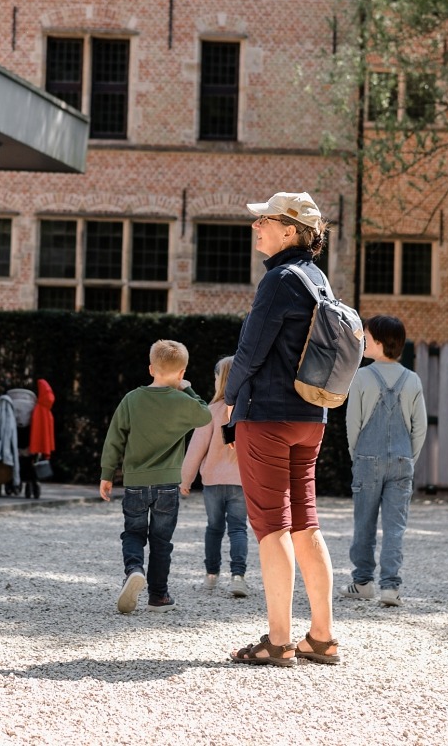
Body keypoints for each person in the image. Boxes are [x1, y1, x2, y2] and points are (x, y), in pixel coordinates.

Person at [224, 191, 342, 666]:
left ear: (290, 230)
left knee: (272, 527)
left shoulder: (279, 279)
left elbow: (250, 351)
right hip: (310, 418)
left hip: (268, 418)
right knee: (306, 524)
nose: (257, 227)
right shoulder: (318, 279)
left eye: (265, 221)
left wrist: (229, 396)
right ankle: (322, 636)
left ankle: (277, 641)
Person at [99, 340, 211, 615]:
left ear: (151, 368)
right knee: (162, 541)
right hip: (168, 486)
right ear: (182, 371)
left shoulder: (131, 399)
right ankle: (158, 596)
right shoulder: (183, 401)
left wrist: (107, 474)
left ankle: (134, 570)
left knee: (133, 533)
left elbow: (115, 438)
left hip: (136, 482)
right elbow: (205, 415)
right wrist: (189, 389)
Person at [344, 314, 427, 607]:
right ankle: (390, 588)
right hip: (402, 460)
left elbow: (353, 423)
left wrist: (358, 457)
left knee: (364, 522)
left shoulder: (362, 377)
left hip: (367, 459)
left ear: (378, 342)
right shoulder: (412, 379)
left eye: (366, 337)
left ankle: (363, 582)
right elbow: (420, 427)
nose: (363, 341)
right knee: (395, 527)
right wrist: (409, 458)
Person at [180, 356, 249, 598]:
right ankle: (238, 577)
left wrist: (185, 480)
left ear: (220, 380)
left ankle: (211, 575)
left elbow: (195, 449)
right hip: (241, 482)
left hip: (212, 483)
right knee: (239, 529)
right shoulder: (248, 411)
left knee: (214, 528)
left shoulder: (211, 411)